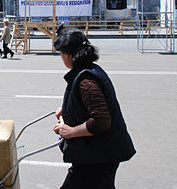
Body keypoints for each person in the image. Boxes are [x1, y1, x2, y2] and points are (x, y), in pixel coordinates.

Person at [53, 29, 135, 188]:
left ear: (68, 55)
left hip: (98, 156)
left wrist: (71, 131)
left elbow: (101, 120)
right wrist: (67, 110)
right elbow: (87, 104)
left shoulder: (86, 80)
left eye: (61, 53)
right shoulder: (89, 70)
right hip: (102, 153)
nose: (61, 58)